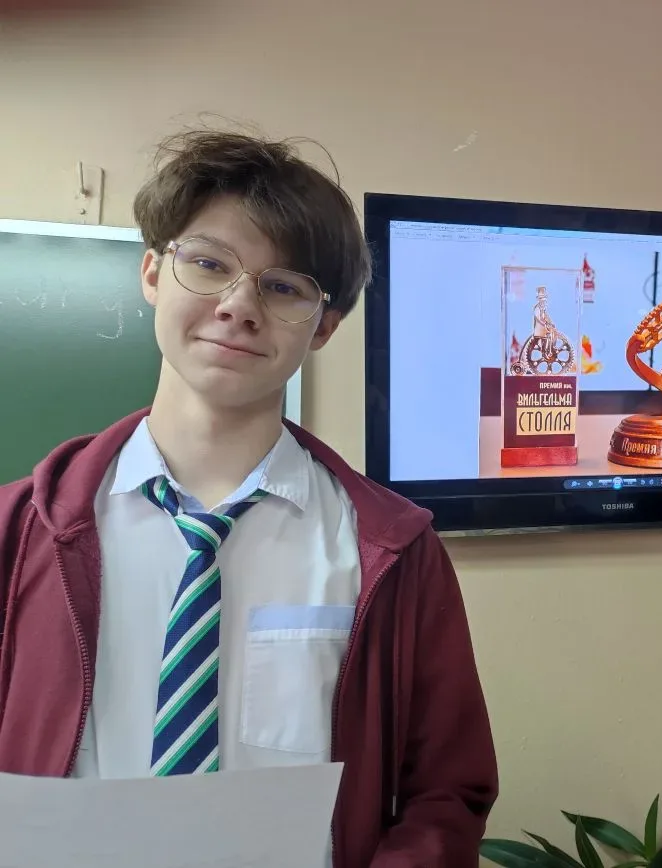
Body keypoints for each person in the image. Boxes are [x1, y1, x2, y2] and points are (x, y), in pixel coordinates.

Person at [0, 129, 499, 867]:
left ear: (324, 327)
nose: (239, 305)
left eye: (284, 286)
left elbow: (447, 791)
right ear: (152, 273)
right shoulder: (19, 532)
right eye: (208, 264)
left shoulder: (391, 549)